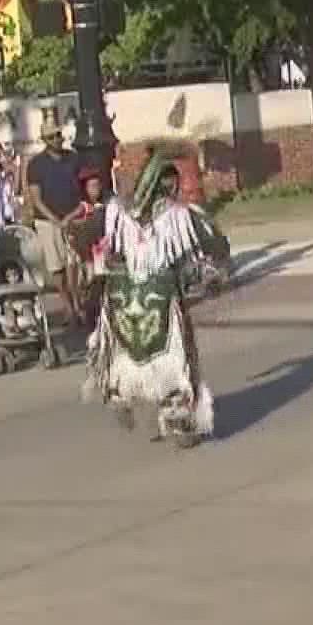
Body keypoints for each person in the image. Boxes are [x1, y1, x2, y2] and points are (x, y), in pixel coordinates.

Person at [80, 154, 225, 446]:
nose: (175, 188)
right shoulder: (179, 216)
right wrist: (212, 269)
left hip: (124, 296)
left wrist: (101, 260)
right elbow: (214, 243)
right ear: (162, 185)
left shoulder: (114, 213)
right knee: (176, 353)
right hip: (162, 295)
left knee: (129, 351)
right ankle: (175, 410)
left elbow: (84, 236)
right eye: (171, 182)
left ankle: (121, 392)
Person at [23, 118, 84, 325]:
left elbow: (84, 187)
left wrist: (71, 216)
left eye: (58, 135)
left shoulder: (73, 158)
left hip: (73, 216)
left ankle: (77, 304)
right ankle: (67, 306)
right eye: (51, 137)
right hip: (48, 221)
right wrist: (55, 220)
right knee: (56, 266)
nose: (57, 139)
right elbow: (35, 198)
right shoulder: (36, 164)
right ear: (44, 140)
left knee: (74, 263)